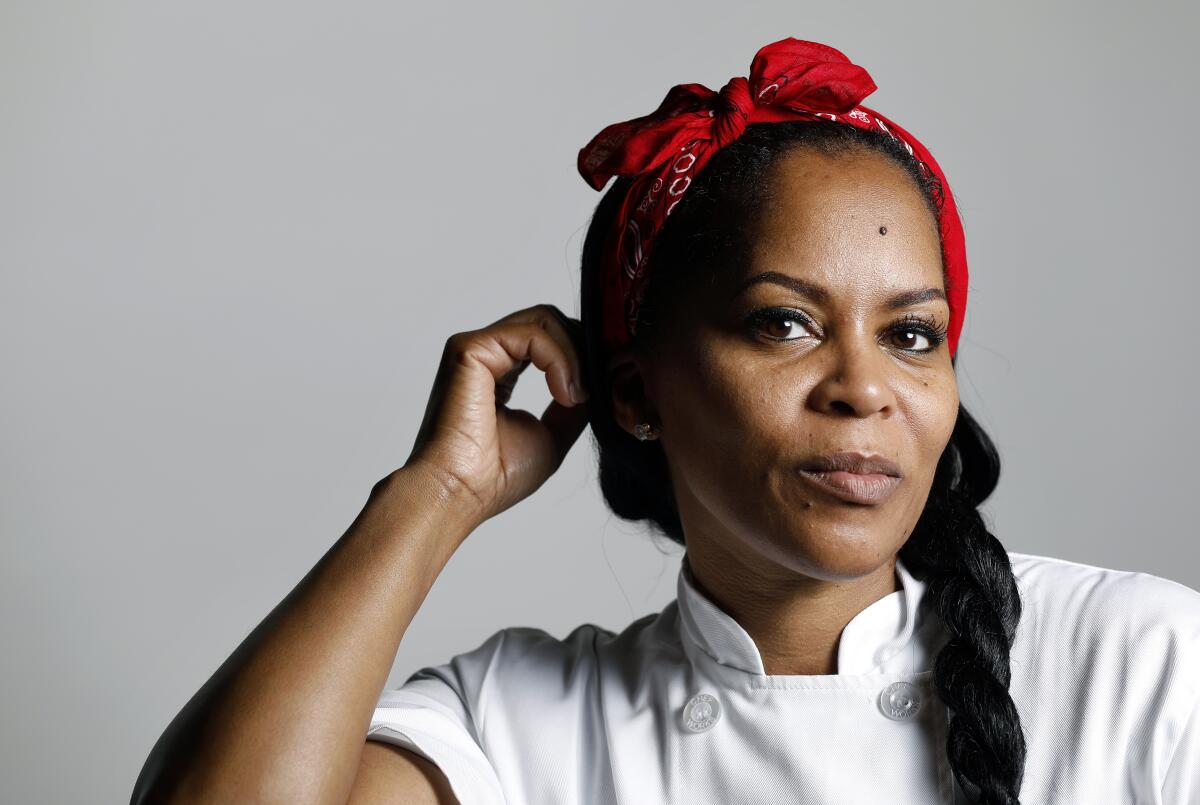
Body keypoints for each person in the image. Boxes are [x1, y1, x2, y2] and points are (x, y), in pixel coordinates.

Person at [130, 38, 1200, 805]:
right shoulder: (519, 725)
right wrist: (433, 497)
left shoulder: (1143, 663)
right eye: (783, 322)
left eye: (912, 335)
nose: (864, 386)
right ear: (635, 392)